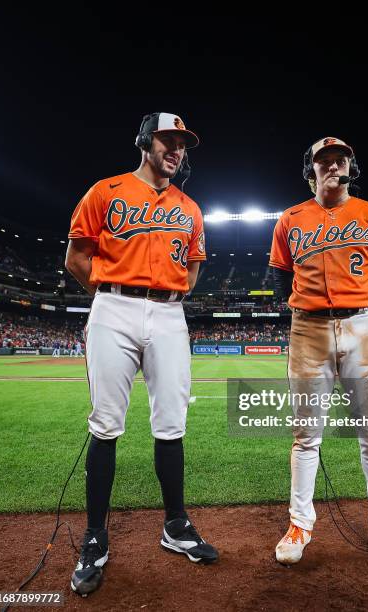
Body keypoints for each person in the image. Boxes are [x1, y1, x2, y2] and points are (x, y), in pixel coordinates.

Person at [65, 112, 217, 597]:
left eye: (182, 144)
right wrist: (112, 295)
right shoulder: (104, 191)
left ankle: (175, 525)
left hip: (170, 315)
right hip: (113, 307)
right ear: (144, 141)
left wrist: (159, 297)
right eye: (167, 140)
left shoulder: (191, 208)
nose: (176, 150)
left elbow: (191, 274)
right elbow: (75, 257)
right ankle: (95, 536)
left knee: (171, 424)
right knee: (106, 423)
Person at [269, 136, 368, 574]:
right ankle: (299, 525)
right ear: (310, 170)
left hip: (362, 326)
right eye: (324, 162)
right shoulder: (290, 219)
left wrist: (365, 309)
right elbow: (278, 275)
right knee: (305, 434)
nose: (333, 166)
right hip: (308, 328)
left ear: (351, 167)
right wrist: (303, 310)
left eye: (340, 160)